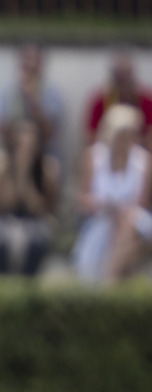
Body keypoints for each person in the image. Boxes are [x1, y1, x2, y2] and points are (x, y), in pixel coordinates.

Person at [73, 106, 151, 283]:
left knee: (128, 222)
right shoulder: (93, 156)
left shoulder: (144, 161)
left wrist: (121, 211)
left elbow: (143, 204)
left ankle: (110, 280)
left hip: (135, 222)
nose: (127, 140)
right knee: (124, 231)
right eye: (122, 134)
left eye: (131, 134)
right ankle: (116, 281)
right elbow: (82, 198)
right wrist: (104, 206)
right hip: (100, 219)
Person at [0, 117, 62, 276]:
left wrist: (26, 175)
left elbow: (38, 208)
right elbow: (5, 203)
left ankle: (27, 288)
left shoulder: (48, 168)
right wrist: (17, 171)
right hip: (5, 218)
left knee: (37, 242)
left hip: (34, 220)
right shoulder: (0, 164)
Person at [0, 44, 65, 154]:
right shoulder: (7, 93)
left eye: (35, 59)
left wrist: (33, 100)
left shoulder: (53, 95)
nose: (31, 64)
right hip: (12, 153)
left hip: (44, 153)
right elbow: (1, 131)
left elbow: (50, 133)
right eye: (27, 59)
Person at [84, 49, 146, 141]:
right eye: (119, 77)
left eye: (125, 76)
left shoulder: (145, 100)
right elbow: (91, 136)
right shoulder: (101, 100)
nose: (122, 82)